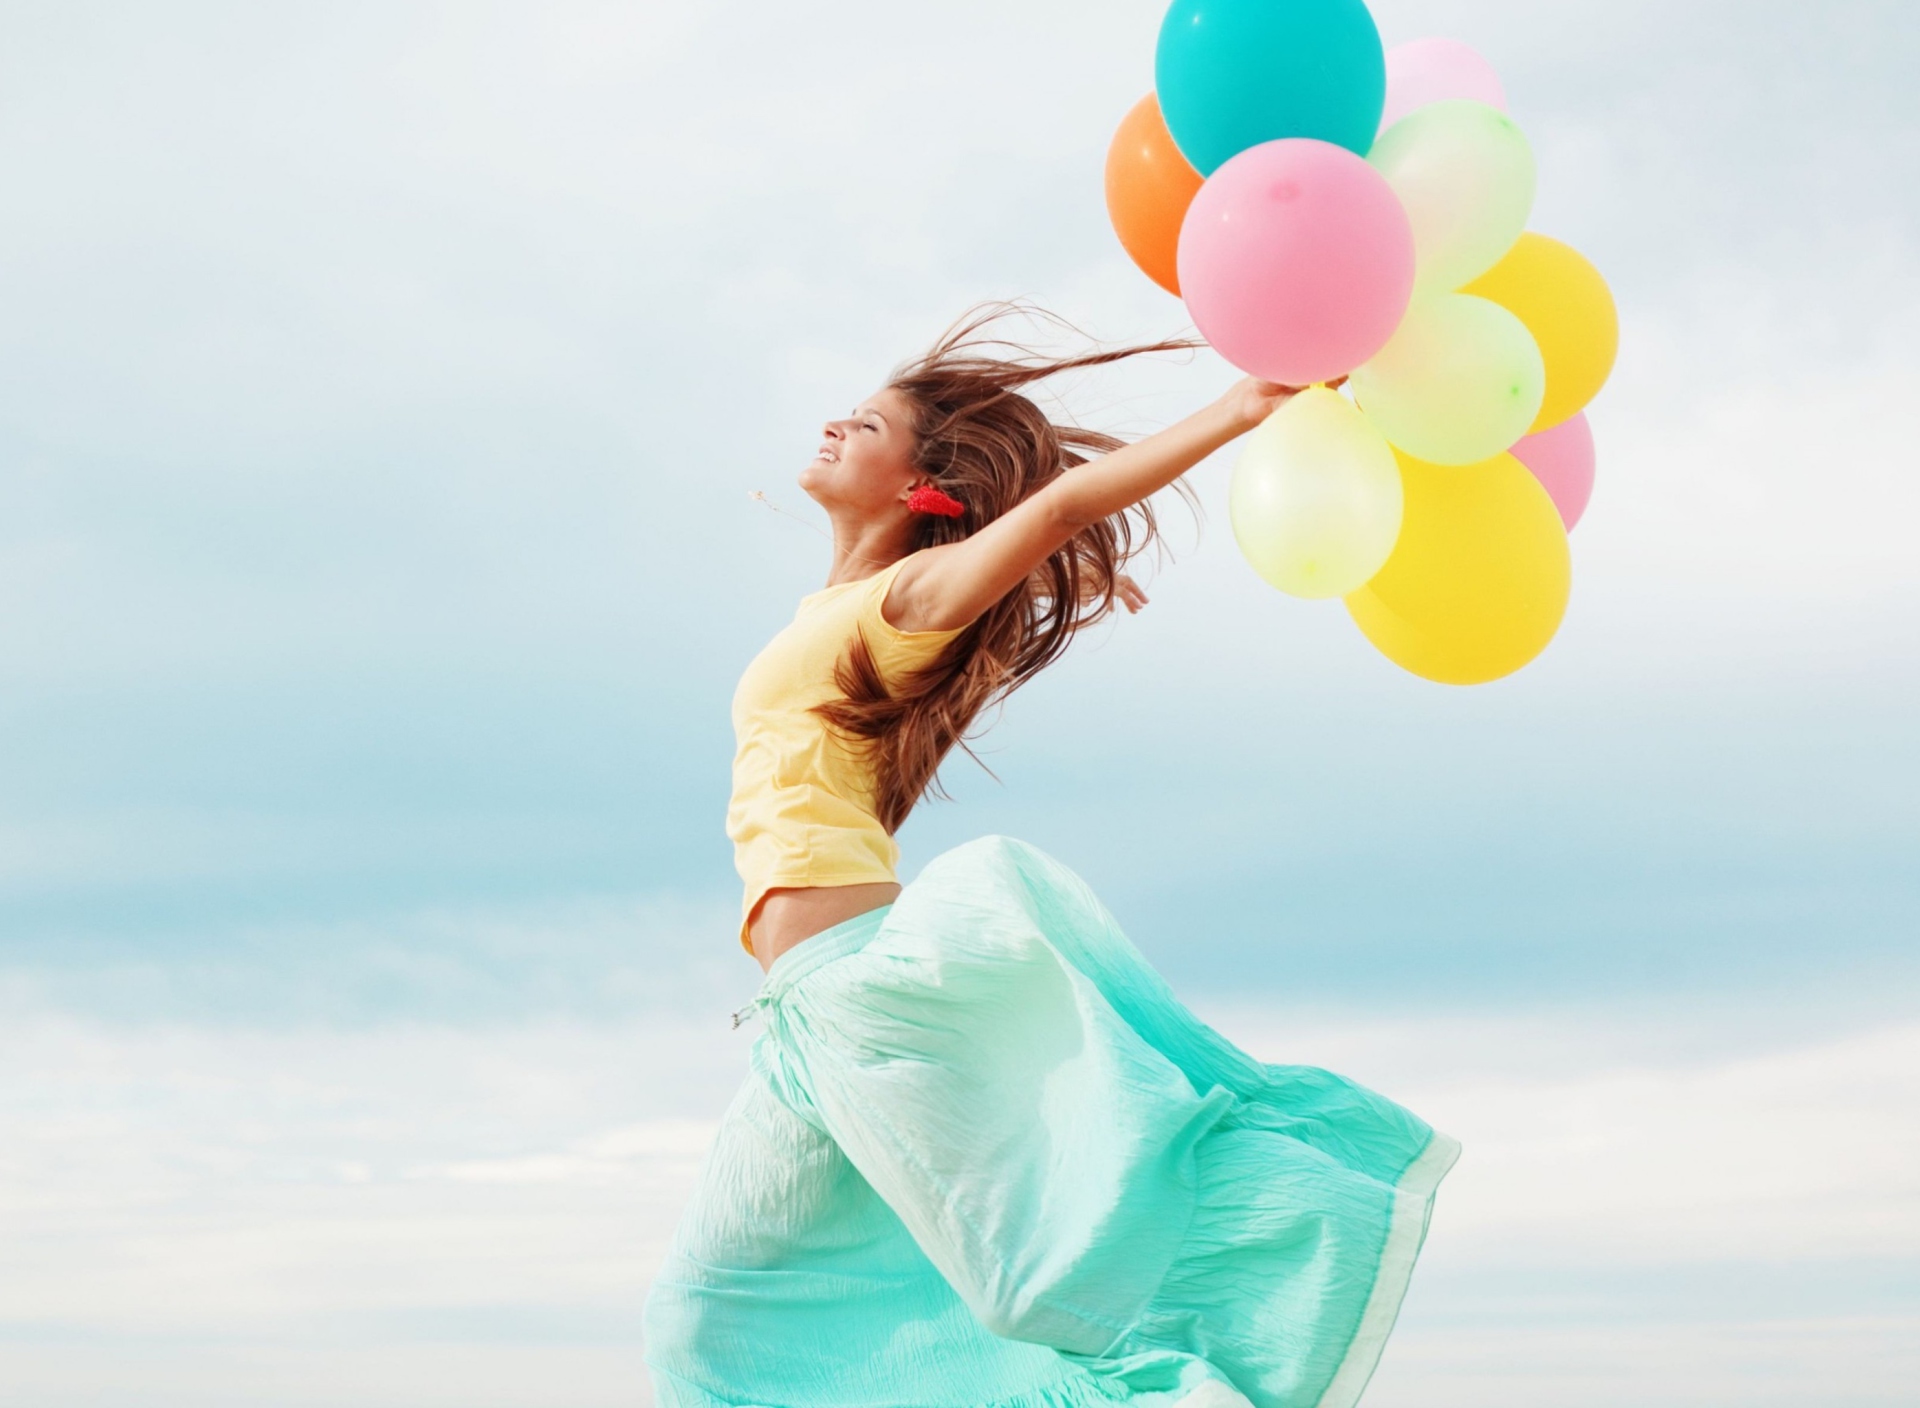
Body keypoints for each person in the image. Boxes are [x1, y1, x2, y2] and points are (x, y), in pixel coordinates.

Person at [643, 307, 1457, 1408]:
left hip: (860, 996)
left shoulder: (902, 599)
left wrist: (1236, 407)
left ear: (920, 488)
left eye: (869, 422)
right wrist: (1047, 574)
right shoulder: (841, 611)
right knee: (728, 1323)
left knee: (983, 1293)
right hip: (802, 1020)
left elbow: (1062, 501)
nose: (837, 423)